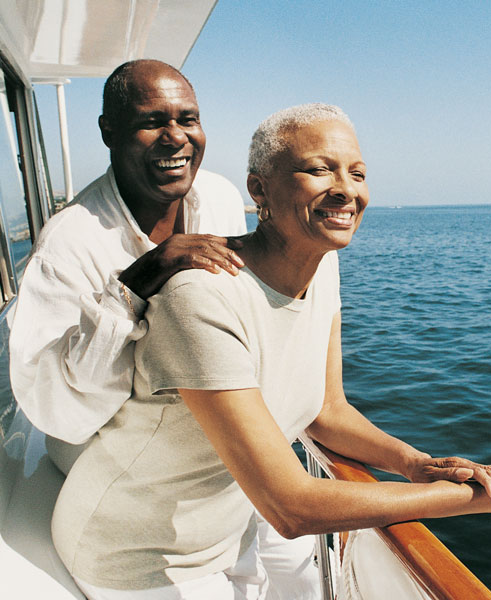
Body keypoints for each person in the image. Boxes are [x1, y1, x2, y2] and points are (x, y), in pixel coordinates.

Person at [50, 103, 491, 600]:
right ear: (260, 189)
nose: (345, 190)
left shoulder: (322, 267)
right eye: (318, 170)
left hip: (228, 527)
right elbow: (290, 505)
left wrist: (420, 465)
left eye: (357, 173)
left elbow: (327, 412)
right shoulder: (202, 296)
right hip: (136, 554)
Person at [8, 60, 320, 599]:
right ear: (109, 132)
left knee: (296, 568)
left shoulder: (219, 197)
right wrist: (138, 280)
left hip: (212, 441)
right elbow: (58, 413)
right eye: (152, 121)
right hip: (118, 464)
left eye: (188, 118)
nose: (175, 137)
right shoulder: (69, 244)